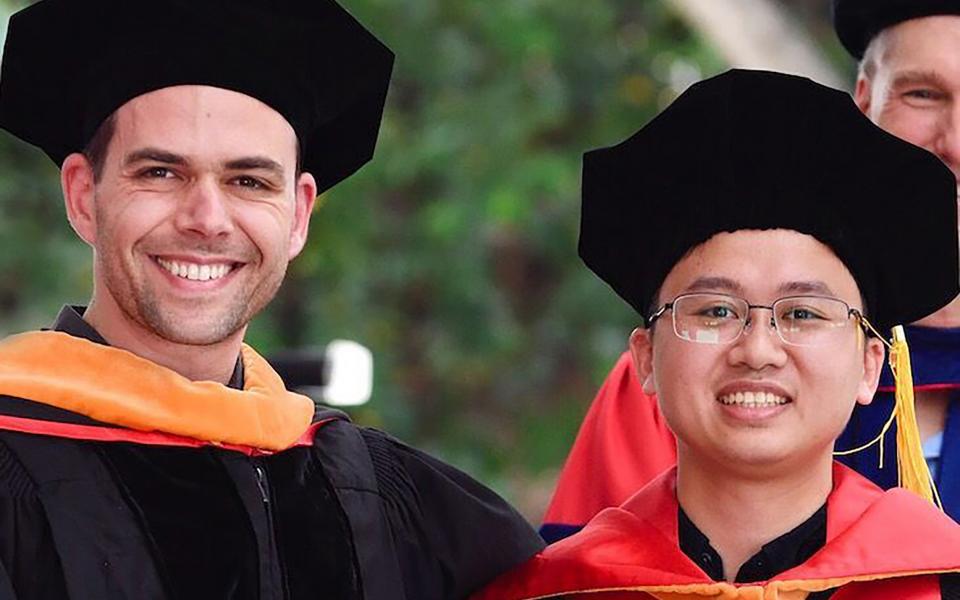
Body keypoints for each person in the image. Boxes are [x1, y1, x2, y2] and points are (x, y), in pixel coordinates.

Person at [0, 1, 544, 598]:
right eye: (160, 172)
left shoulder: (390, 505)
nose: (207, 219)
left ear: (298, 216)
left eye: (248, 182)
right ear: (83, 196)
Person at [476, 68, 960, 600]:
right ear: (645, 359)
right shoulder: (551, 592)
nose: (757, 350)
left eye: (802, 313)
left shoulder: (937, 582)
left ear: (871, 364)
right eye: (714, 312)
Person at [541, 0, 960, 543]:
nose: (955, 139)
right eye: (922, 94)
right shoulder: (688, 374)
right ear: (865, 103)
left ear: (870, 361)